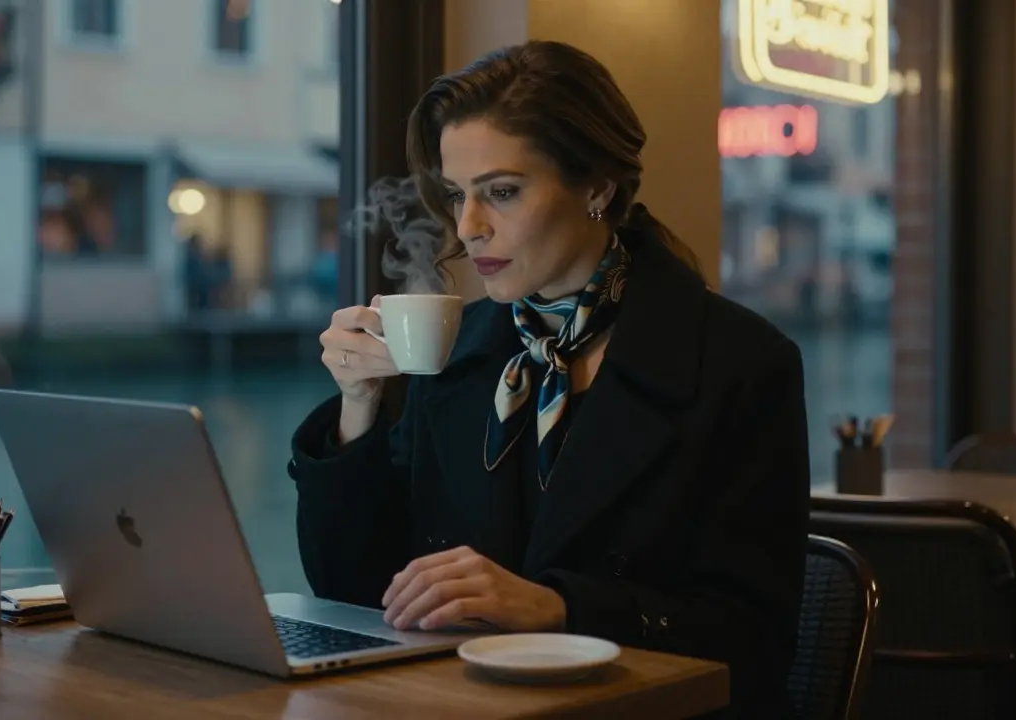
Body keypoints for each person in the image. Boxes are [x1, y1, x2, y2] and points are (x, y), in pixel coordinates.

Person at [288, 41, 809, 716]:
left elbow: (755, 643)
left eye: (501, 192)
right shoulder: (457, 351)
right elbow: (356, 592)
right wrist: (357, 409)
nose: (468, 227)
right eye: (457, 195)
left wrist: (561, 608)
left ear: (597, 187)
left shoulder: (741, 363)